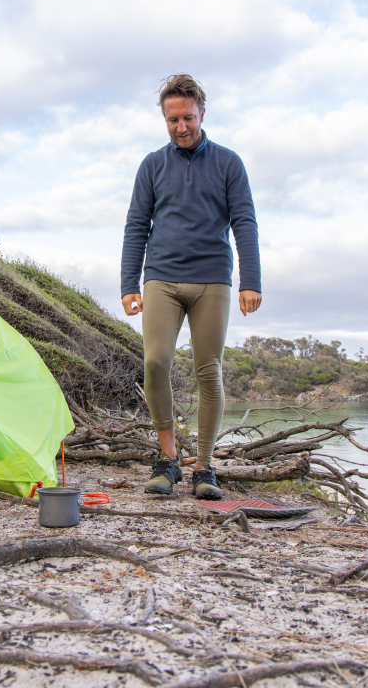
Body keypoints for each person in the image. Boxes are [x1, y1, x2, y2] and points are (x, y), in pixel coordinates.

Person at [120, 74, 261, 500]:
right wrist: (130, 283)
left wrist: (250, 281)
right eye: (172, 119)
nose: (181, 126)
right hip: (161, 276)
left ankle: (204, 466)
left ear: (202, 112)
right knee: (156, 361)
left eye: (188, 117)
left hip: (212, 280)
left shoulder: (228, 163)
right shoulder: (152, 165)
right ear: (164, 118)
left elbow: (245, 223)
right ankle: (167, 461)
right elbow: (135, 226)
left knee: (208, 370)